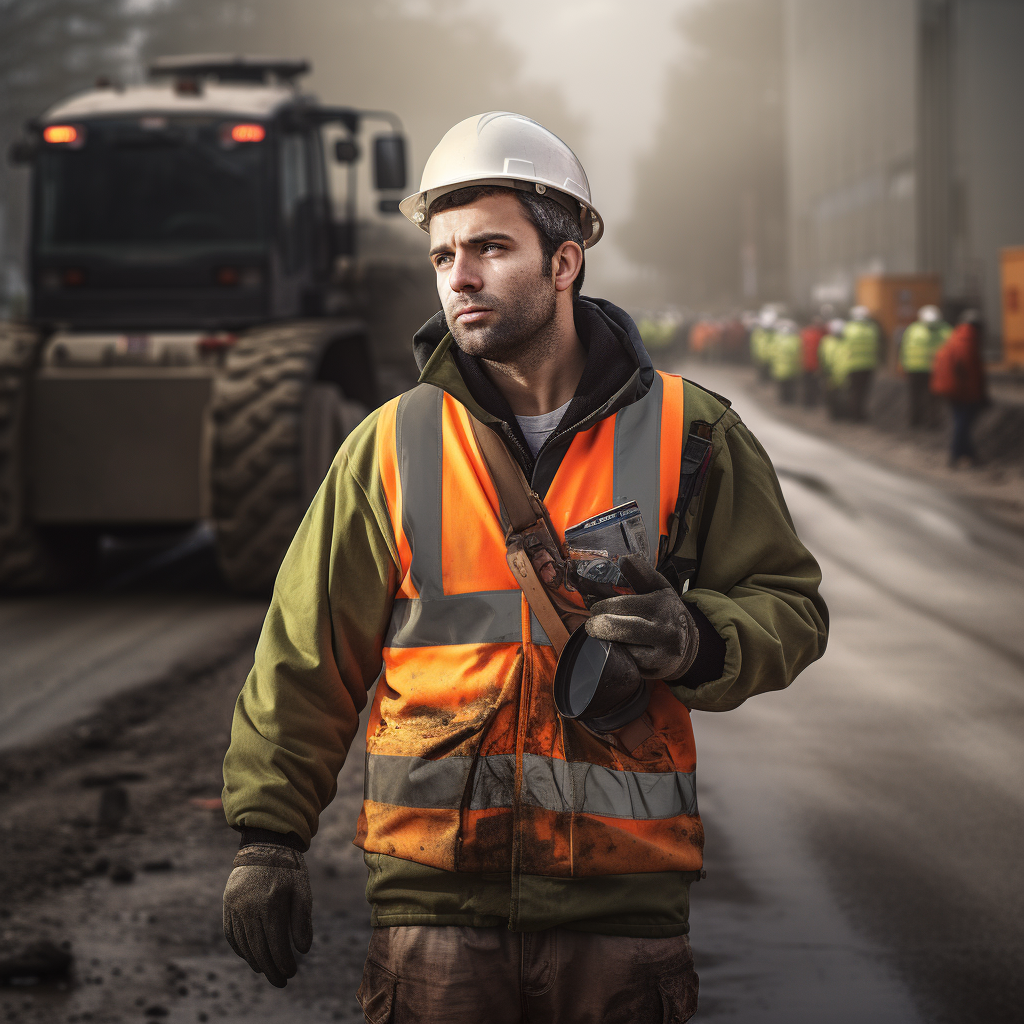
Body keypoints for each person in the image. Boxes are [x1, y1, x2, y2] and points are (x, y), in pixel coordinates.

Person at [219, 111, 828, 1024]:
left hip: (620, 912)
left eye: (490, 248)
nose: (458, 277)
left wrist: (699, 640)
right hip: (432, 908)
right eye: (442, 255)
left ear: (565, 260)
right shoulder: (390, 446)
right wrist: (269, 839)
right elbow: (306, 656)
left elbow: (788, 606)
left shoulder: (693, 434)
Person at [931, 309, 989, 467]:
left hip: (950, 388)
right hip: (962, 391)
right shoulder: (968, 341)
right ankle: (957, 454)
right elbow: (970, 371)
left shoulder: (955, 337)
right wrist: (979, 394)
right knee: (962, 424)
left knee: (960, 422)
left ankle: (968, 454)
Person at [900, 304, 950, 427]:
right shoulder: (945, 330)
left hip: (920, 369)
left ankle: (920, 421)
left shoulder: (913, 330)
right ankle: (925, 421)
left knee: (922, 397)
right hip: (924, 369)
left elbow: (904, 348)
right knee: (929, 398)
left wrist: (903, 364)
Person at [841, 305, 880, 422]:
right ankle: (861, 414)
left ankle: (853, 415)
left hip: (852, 365)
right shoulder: (872, 329)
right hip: (868, 366)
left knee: (853, 392)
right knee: (864, 392)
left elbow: (842, 348)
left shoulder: (848, 328)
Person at [770, 318, 802, 404]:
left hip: (780, 368)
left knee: (782, 386)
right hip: (791, 368)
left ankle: (783, 400)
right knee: (790, 386)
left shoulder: (777, 340)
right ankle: (789, 400)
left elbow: (773, 353)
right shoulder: (795, 340)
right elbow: (797, 354)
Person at [799, 315, 827, 407]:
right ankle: (810, 403)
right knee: (811, 385)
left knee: (811, 386)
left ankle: (810, 403)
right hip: (811, 365)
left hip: (811, 364)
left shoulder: (806, 333)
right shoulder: (820, 335)